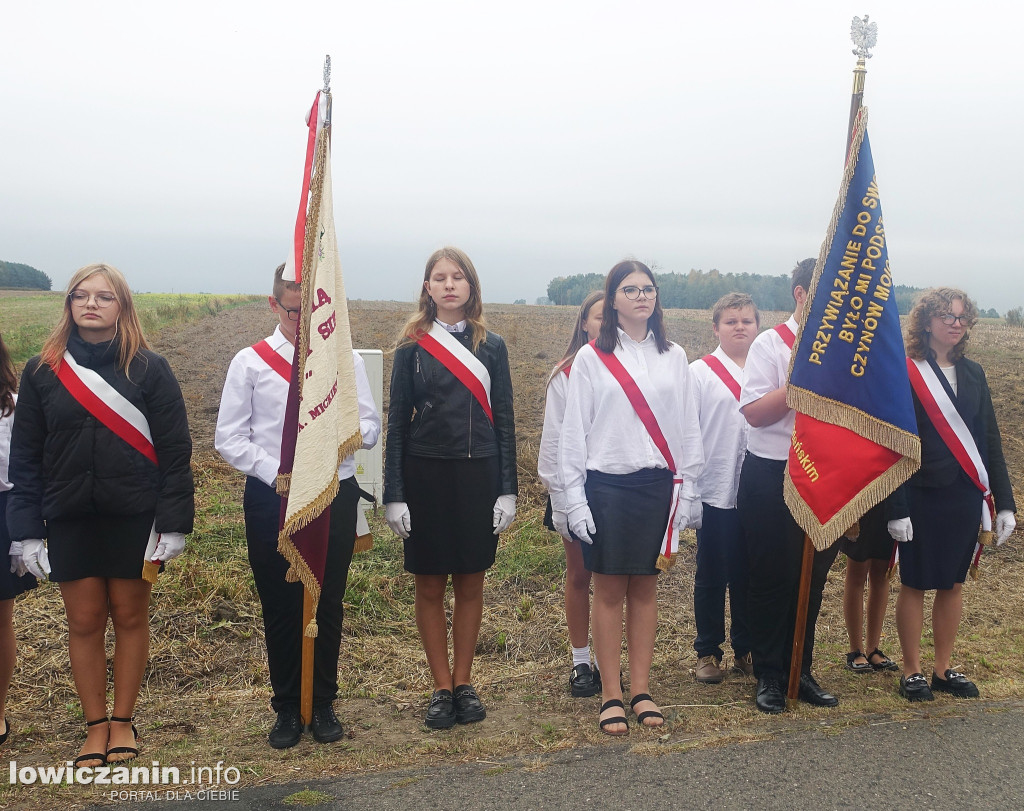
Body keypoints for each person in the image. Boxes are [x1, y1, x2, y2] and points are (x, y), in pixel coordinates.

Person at [7, 263, 194, 767]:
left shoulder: (149, 369)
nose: (91, 304)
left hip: (135, 516)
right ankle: (94, 727)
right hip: (70, 517)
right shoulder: (42, 371)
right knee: (84, 621)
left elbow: (176, 450)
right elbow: (24, 458)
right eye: (81, 295)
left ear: (122, 307)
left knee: (131, 617)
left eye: (103, 297)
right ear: (68, 304)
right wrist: (25, 531)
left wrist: (174, 523)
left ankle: (124, 722)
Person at [215, 263, 381, 748]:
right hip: (273, 497)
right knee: (281, 604)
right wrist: (280, 474)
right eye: (293, 310)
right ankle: (288, 706)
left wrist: (331, 448)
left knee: (327, 602)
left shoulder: (343, 361)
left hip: (333, 491)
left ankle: (323, 702)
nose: (303, 320)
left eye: (312, 310)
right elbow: (229, 439)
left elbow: (369, 427)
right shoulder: (250, 362)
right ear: (274, 305)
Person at [560, 260, 703, 735]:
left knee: (645, 589)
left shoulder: (674, 355)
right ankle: (610, 694)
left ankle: (641, 688)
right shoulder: (590, 359)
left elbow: (687, 427)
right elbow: (573, 435)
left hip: (657, 486)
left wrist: (689, 490)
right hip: (608, 487)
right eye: (630, 289)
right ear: (613, 299)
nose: (642, 296)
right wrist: (574, 499)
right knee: (608, 590)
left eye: (648, 288)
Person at [384, 247, 517, 730]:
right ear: (427, 288)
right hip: (425, 476)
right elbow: (397, 424)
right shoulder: (411, 347)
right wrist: (393, 492)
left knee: (471, 581)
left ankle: (464, 682)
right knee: (429, 584)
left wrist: (508, 490)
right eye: (439, 278)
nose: (448, 285)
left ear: (470, 286)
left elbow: (505, 421)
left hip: (478, 476)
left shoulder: (493, 347)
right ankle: (439, 686)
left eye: (457, 277)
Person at [888, 287, 1015, 701]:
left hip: (964, 495)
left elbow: (989, 440)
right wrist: (897, 507)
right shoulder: (905, 371)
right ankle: (912, 671)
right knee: (915, 583)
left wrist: (1006, 502)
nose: (956, 323)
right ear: (926, 322)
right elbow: (895, 444)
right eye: (947, 316)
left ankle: (942, 668)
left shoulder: (975, 372)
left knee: (952, 584)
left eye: (962, 317)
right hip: (920, 494)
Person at [737, 258, 839, 714]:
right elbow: (756, 413)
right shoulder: (769, 344)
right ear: (800, 294)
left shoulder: (842, 348)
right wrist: (803, 378)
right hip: (773, 473)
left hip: (827, 475)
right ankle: (770, 674)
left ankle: (802, 666)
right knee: (771, 577)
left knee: (812, 579)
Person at [538, 291, 604, 697]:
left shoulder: (630, 366)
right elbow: (554, 443)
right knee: (580, 575)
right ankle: (582, 661)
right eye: (598, 317)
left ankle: (611, 660)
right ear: (584, 323)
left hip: (619, 487)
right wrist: (562, 501)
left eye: (609, 317)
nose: (603, 324)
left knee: (616, 581)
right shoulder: (565, 374)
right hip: (574, 485)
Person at [689, 293, 758, 684]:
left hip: (755, 491)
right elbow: (689, 432)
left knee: (749, 574)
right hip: (713, 488)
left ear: (757, 326)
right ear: (715, 327)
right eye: (731, 321)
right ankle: (708, 652)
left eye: (747, 321)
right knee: (712, 574)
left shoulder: (770, 370)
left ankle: (746, 648)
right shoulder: (699, 372)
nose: (739, 327)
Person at [0, 332, 37, 747]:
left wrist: (19, 535)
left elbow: (22, 471)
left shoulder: (10, 403)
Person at [837, 503, 899, 673]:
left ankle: (873, 649)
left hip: (889, 502)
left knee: (881, 575)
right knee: (857, 573)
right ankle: (856, 650)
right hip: (860, 503)